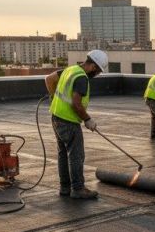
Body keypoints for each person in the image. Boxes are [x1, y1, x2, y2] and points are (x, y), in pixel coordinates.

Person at [45, 49, 108, 199]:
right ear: (93, 67)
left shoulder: (70, 69)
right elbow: (76, 104)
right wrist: (87, 119)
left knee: (63, 154)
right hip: (69, 121)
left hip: (56, 117)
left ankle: (65, 188)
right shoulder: (82, 78)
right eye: (98, 71)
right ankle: (78, 189)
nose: (97, 74)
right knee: (76, 156)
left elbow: (48, 79)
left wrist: (53, 96)